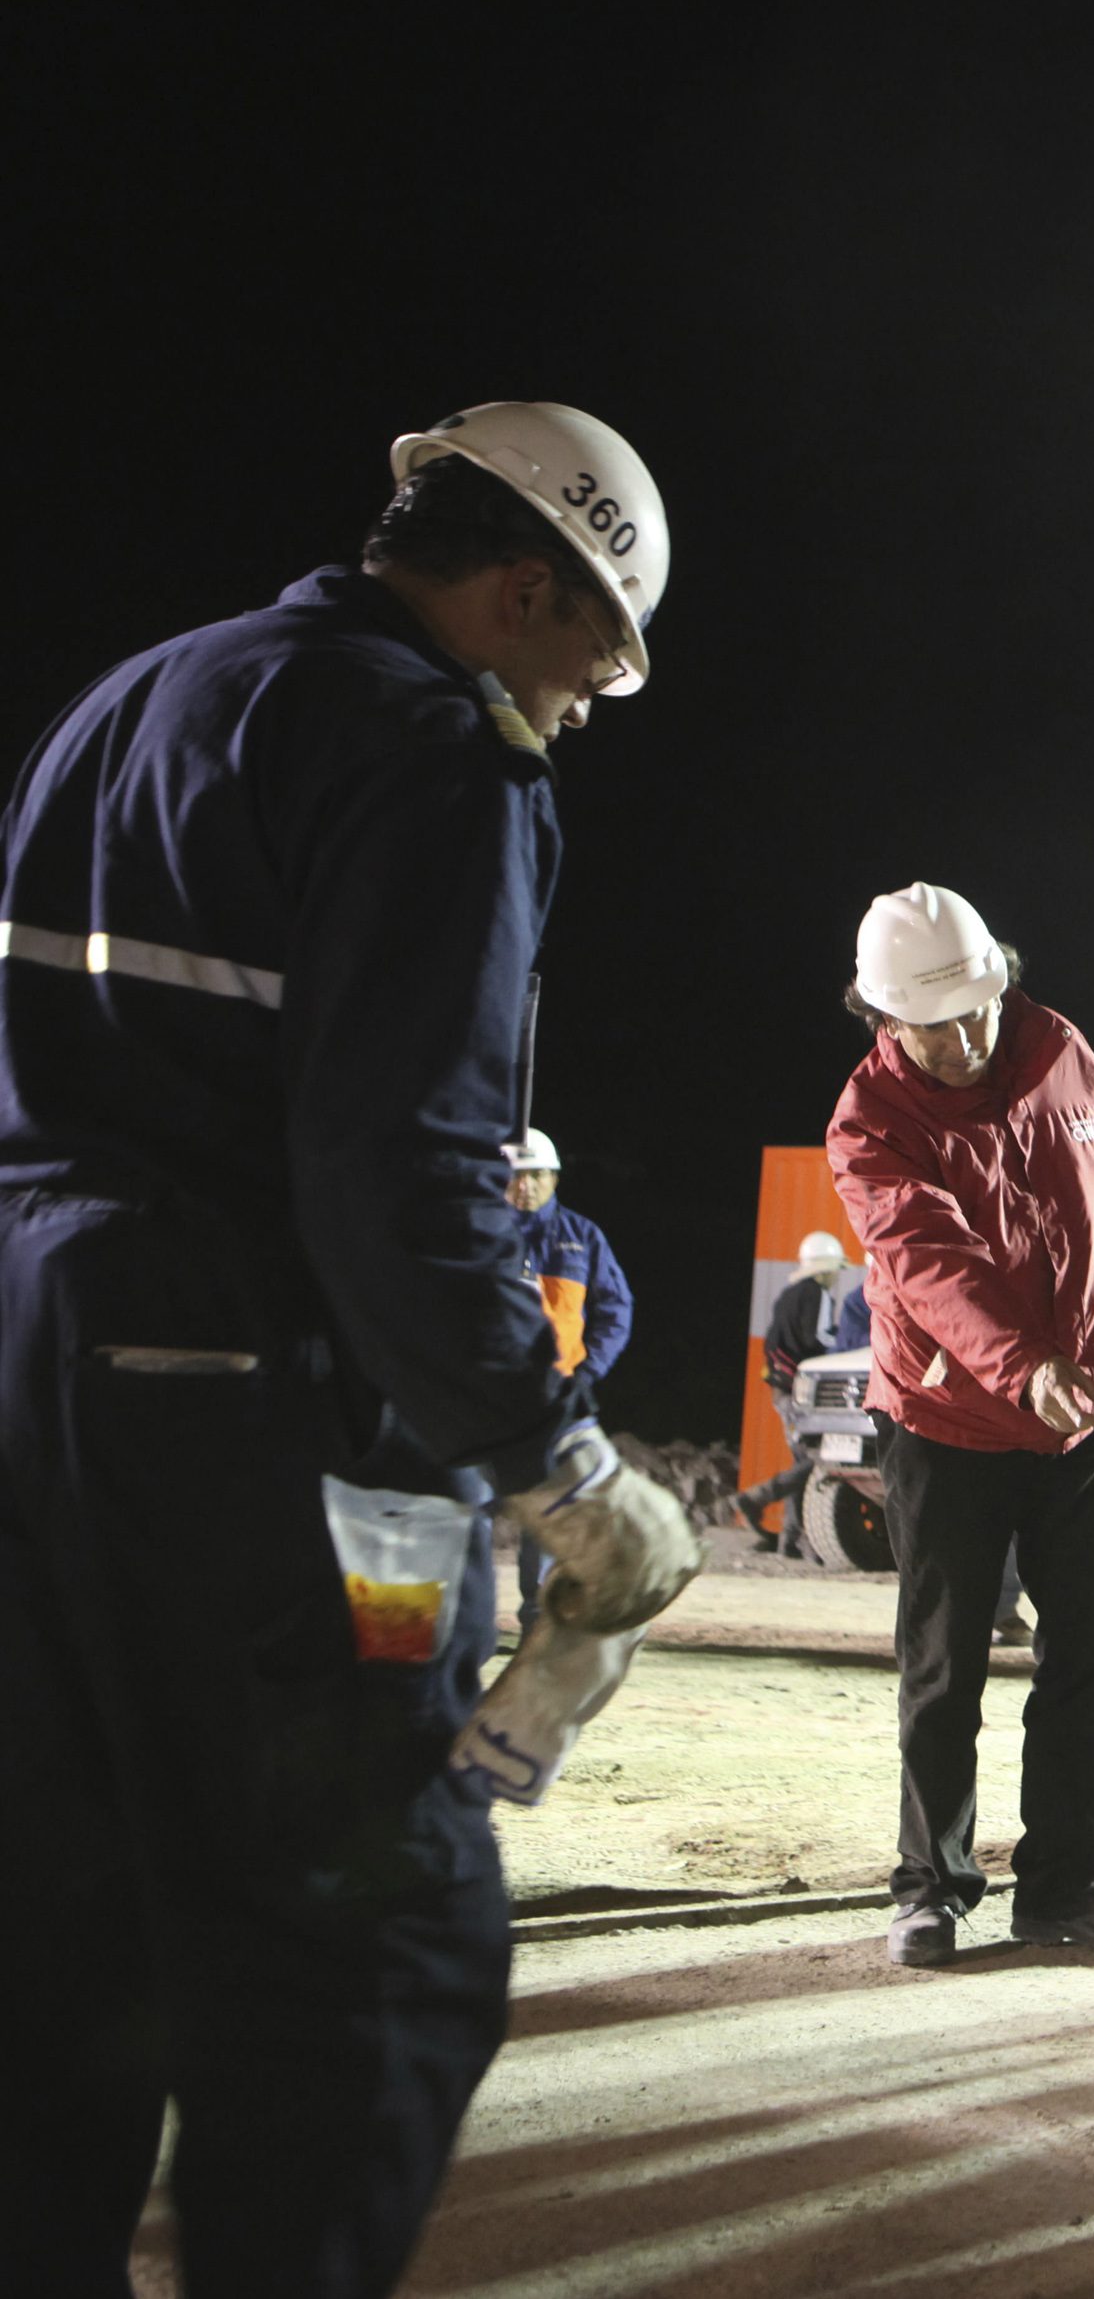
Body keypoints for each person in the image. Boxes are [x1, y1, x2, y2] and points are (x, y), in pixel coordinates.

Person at [0, 402, 700, 2292]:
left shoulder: (131, 704)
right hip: (264, 1421)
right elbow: (405, 1168)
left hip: (36, 1397)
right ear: (521, 584)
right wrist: (557, 1463)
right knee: (367, 1956)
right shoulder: (432, 754)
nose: (584, 705)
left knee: (61, 1958)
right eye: (590, 658)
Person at [828, 882, 1094, 1967]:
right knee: (947, 1663)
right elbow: (930, 1262)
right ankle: (932, 1884)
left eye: (978, 1005)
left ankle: (1068, 1883)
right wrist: (1021, 1368)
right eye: (935, 1024)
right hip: (948, 1420)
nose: (967, 1037)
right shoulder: (868, 1122)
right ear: (882, 1019)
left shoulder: (1058, 1046)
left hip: (1081, 1416)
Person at [504, 1124, 635, 1628]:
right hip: (485, 1396)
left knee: (548, 1517)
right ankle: (463, 1625)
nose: (525, 1185)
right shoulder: (481, 1235)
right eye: (516, 1175)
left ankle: (539, 1624)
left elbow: (616, 1310)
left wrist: (587, 1374)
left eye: (536, 1174)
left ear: (554, 1178)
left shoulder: (582, 1239)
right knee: (467, 1510)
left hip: (554, 1400)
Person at [736, 1229, 854, 1538]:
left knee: (803, 1458)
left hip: (780, 1388)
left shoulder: (788, 1295)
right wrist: (846, 1345)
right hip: (800, 1391)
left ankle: (791, 1538)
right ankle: (758, 1497)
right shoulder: (817, 1294)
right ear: (827, 1269)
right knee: (817, 1460)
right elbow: (820, 1338)